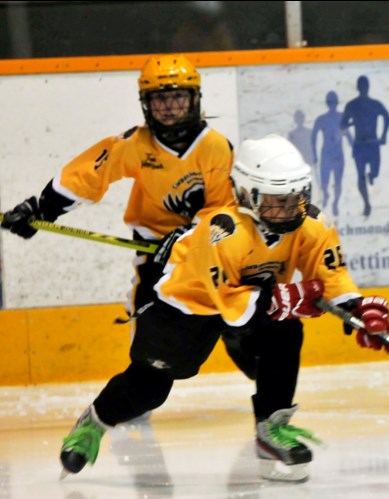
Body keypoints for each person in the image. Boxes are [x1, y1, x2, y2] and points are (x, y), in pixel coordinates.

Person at [58, 135, 389, 483]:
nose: (287, 209)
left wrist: (356, 309)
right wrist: (285, 299)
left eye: (295, 198)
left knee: (285, 331)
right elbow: (228, 303)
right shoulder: (223, 230)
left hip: (249, 308)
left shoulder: (312, 224)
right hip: (188, 306)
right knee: (151, 386)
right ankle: (95, 421)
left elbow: (332, 275)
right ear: (246, 193)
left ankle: (271, 429)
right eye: (276, 201)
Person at [0, 54, 243, 370]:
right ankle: (137, 392)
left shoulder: (215, 146)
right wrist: (42, 209)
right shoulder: (135, 144)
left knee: (235, 310)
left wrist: (189, 235)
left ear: (194, 98)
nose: (169, 106)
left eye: (178, 97)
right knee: (146, 314)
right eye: (160, 99)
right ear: (146, 103)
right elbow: (89, 174)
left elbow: (222, 207)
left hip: (206, 248)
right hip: (153, 246)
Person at [341, 75, 389, 217]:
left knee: (374, 173)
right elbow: (342, 124)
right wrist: (353, 122)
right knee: (360, 176)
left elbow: (387, 117)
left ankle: (372, 176)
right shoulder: (352, 105)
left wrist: (384, 135)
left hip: (372, 144)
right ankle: (367, 203)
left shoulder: (374, 104)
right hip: (361, 144)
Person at [312, 91, 348, 216]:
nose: (332, 105)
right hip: (326, 154)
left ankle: (335, 203)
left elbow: (348, 135)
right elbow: (313, 136)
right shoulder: (322, 119)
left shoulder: (342, 117)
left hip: (338, 154)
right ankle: (326, 195)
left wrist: (355, 148)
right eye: (330, 102)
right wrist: (314, 154)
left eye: (334, 102)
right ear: (328, 104)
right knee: (324, 182)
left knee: (338, 182)